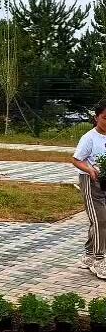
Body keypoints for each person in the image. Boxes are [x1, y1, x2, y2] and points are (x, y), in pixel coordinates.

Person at [72, 100, 106, 279]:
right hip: (90, 182)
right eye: (105, 118)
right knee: (100, 220)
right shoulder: (89, 138)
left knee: (101, 220)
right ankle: (100, 260)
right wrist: (90, 169)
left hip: (105, 182)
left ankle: (89, 254)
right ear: (96, 117)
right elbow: (76, 160)